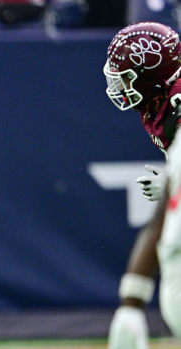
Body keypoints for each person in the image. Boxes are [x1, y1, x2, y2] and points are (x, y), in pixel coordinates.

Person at [103, 21, 181, 349]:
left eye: (126, 79)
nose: (118, 88)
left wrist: (132, 301)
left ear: (151, 75)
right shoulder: (164, 105)